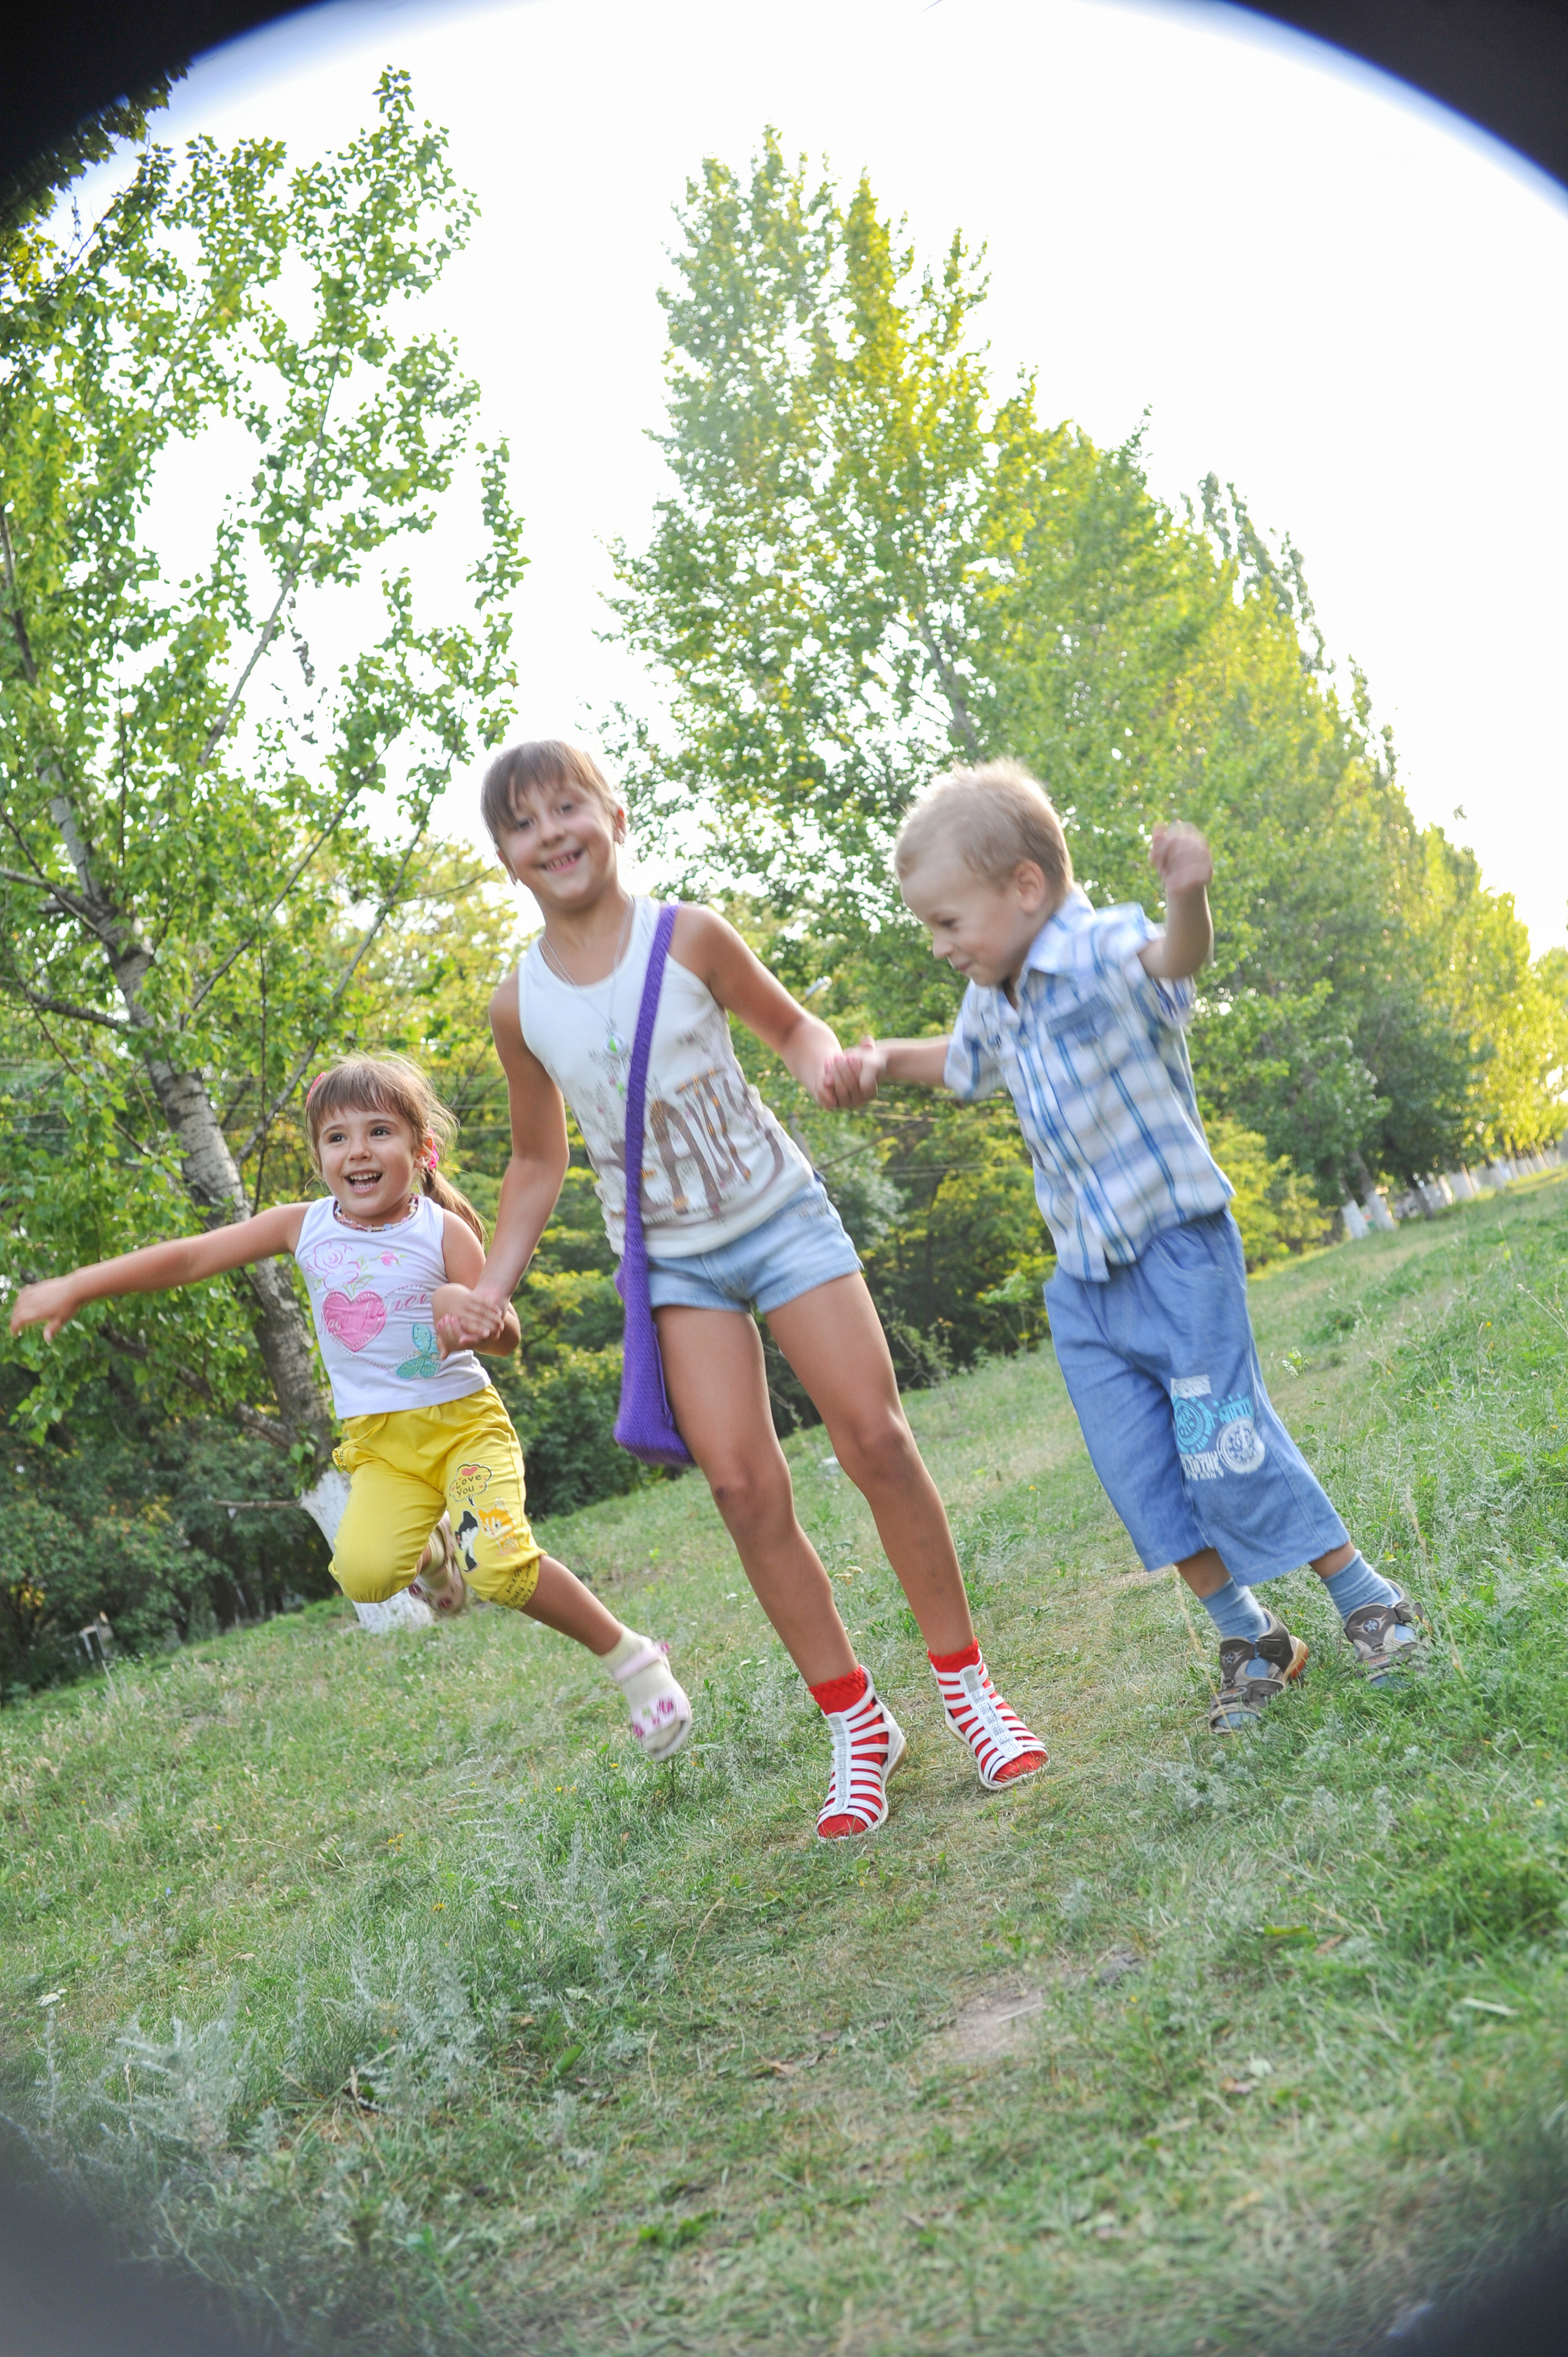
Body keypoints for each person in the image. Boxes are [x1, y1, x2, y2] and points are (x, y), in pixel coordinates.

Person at [432, 740, 1046, 1841]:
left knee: (877, 1439)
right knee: (742, 1489)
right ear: (505, 855)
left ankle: (970, 1691)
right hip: (672, 1265)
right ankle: (858, 1723)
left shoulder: (691, 934)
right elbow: (535, 1159)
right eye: (524, 823)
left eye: (569, 806)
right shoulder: (518, 1003)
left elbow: (793, 1026)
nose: (552, 833)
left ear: (614, 815)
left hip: (780, 1218)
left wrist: (821, 1064)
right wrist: (491, 1285)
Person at [818, 759, 1425, 1733]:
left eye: (948, 921)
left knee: (1225, 1442)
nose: (939, 945)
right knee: (1140, 1470)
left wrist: (1189, 894)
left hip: (1178, 1251)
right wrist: (884, 1058)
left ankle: (1370, 1600)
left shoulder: (1102, 945)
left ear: (1025, 885)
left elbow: (1175, 959)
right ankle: (1253, 1638)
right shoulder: (995, 993)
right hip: (1085, 1282)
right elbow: (964, 1063)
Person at [8, 1054, 692, 1760]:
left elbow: (507, 1336)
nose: (357, 1151)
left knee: (499, 1564)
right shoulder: (301, 1226)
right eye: (337, 1137)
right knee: (366, 1574)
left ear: (420, 1149)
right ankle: (435, 1556)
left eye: (378, 1132)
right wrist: (79, 1285)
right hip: (382, 1447)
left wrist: (464, 1309)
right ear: (319, 1157)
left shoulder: (443, 1232)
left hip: (464, 1428)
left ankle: (633, 1658)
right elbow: (190, 1258)